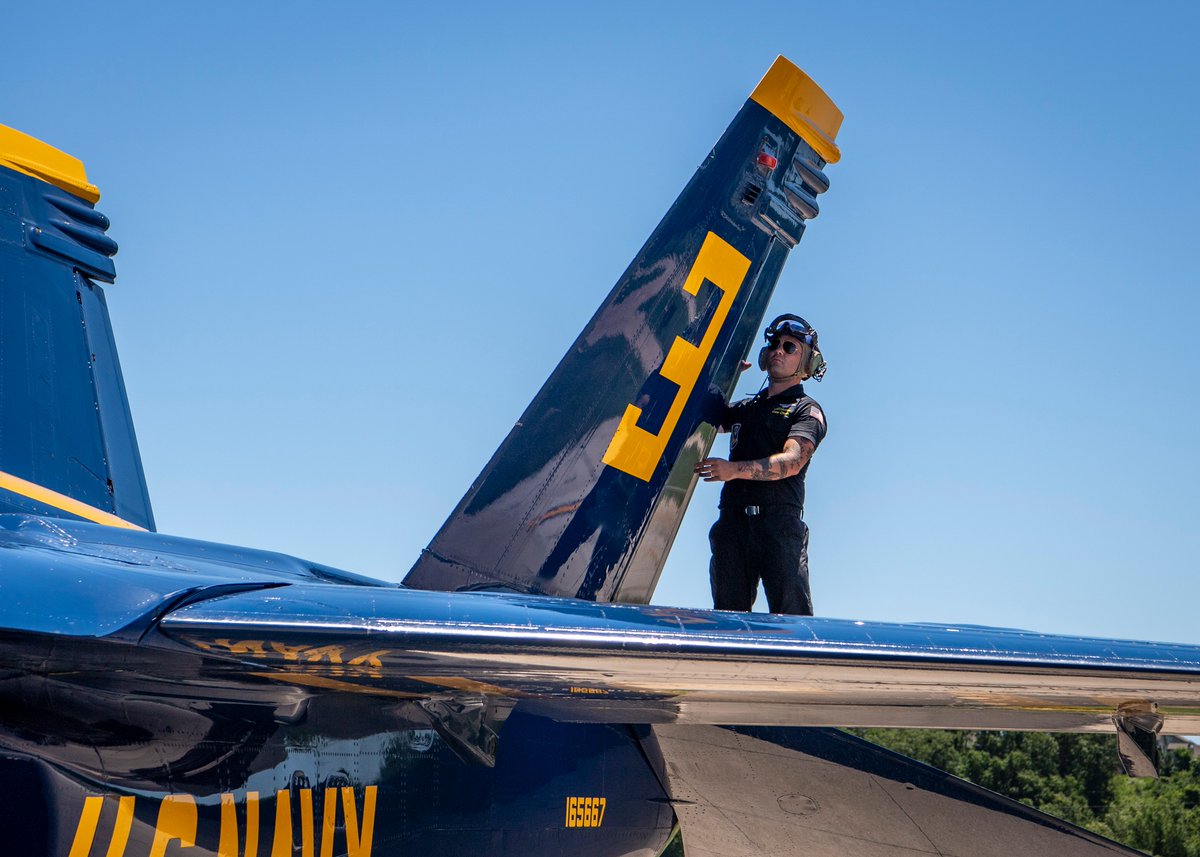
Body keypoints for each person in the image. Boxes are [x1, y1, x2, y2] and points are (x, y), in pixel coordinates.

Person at [694, 314, 828, 615]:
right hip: (732, 527)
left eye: (790, 348)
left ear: (807, 364)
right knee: (727, 621)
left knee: (793, 626)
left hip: (779, 529)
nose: (778, 351)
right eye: (775, 346)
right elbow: (706, 412)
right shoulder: (746, 409)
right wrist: (725, 372)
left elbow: (793, 461)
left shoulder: (807, 411)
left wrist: (734, 470)